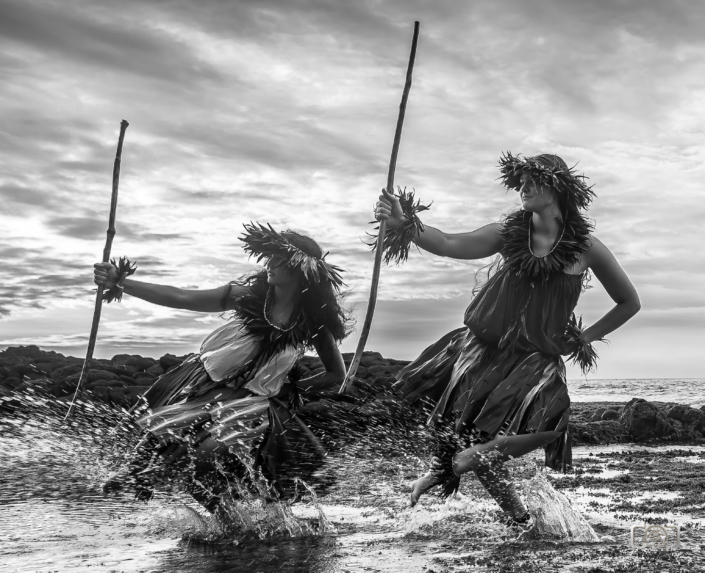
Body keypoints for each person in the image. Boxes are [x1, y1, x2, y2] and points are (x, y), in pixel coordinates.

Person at [373, 153, 640, 527]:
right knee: (476, 438)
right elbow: (450, 242)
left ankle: (464, 460)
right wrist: (406, 224)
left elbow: (629, 302)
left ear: (558, 186)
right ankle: (518, 518)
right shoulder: (507, 233)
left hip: (536, 356)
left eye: (533, 180)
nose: (523, 188)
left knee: (552, 424)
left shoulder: (587, 249)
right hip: (482, 350)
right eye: (520, 181)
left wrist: (583, 338)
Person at [95, 223, 350, 516]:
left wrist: (288, 393)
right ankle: (222, 519)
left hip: (251, 404)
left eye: (279, 259)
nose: (269, 263)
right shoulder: (245, 294)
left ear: (300, 269)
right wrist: (121, 283)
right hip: (208, 383)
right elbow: (181, 296)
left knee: (206, 457)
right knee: (180, 443)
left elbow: (335, 374)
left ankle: (254, 523)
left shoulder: (311, 322)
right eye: (269, 256)